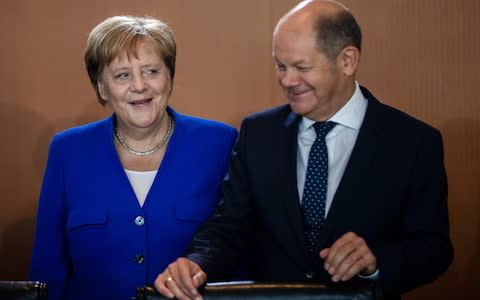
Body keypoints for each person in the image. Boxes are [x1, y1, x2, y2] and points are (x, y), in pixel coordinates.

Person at [154, 1, 453, 299]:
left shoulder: (413, 143)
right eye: (281, 66)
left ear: (347, 60)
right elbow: (229, 228)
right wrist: (196, 264)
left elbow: (433, 250)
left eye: (301, 67)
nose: (287, 80)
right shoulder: (258, 134)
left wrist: (375, 261)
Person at [29, 15, 237, 300]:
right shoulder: (68, 151)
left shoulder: (220, 142)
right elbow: (48, 264)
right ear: (102, 87)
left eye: (151, 71)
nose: (139, 86)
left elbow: (236, 242)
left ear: (169, 76)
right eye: (122, 75)